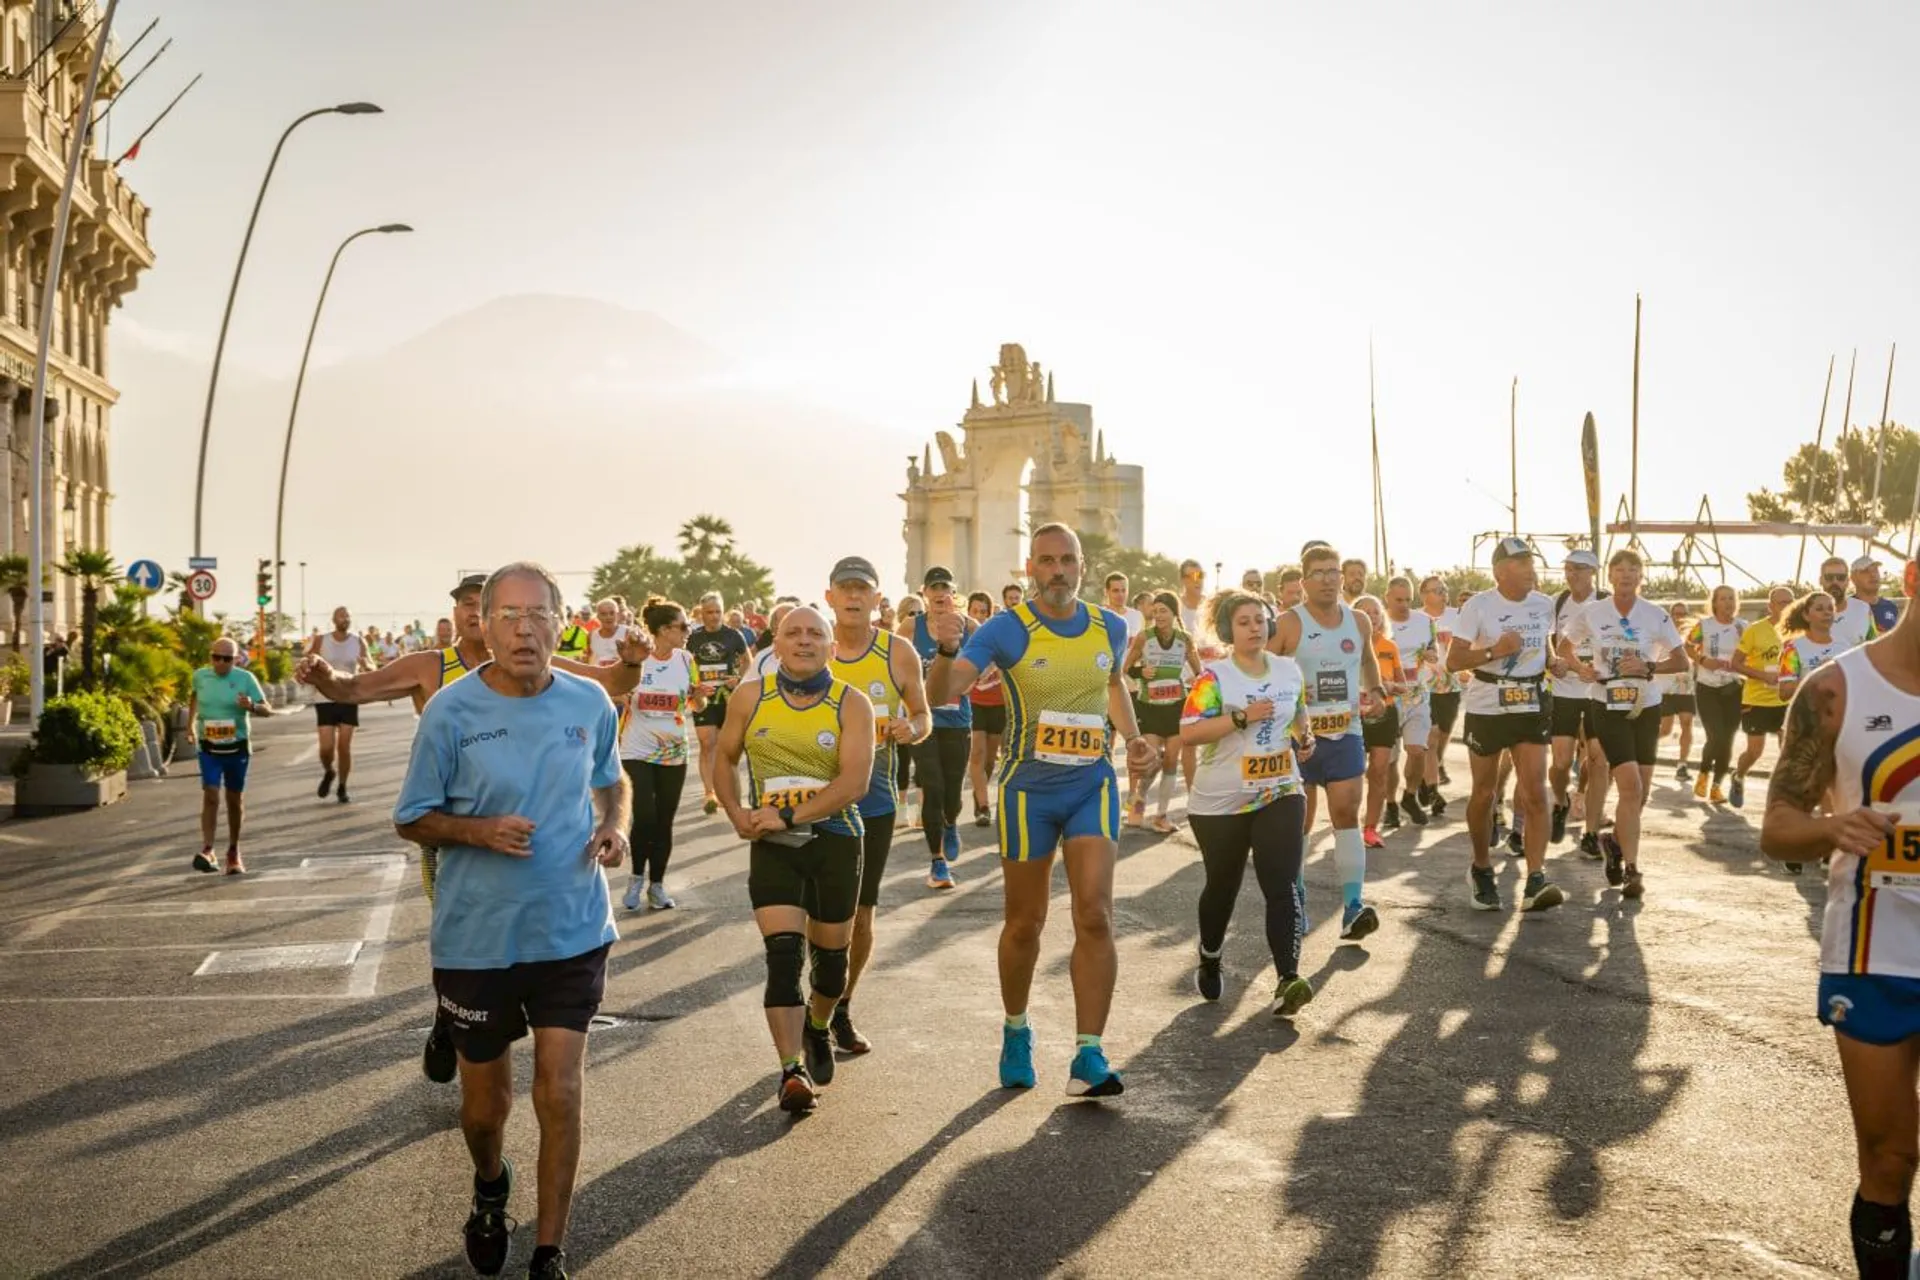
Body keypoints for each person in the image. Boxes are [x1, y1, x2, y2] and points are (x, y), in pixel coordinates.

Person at [298, 572, 644, 1089]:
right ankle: (455, 1014)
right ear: (473, 616)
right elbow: (355, 689)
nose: (519, 625)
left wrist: (635, 659)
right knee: (468, 931)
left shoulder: (540, 657)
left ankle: (472, 1012)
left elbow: (609, 684)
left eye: (529, 613)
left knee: (557, 1069)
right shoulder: (430, 668)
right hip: (451, 827)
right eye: (477, 608)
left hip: (552, 868)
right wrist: (323, 674)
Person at [392, 562, 631, 1280]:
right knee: (484, 1110)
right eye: (509, 616)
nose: (525, 630)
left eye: (539, 615)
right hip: (478, 938)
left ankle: (550, 1250)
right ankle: (491, 1185)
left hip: (572, 928)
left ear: (564, 623)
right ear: (484, 625)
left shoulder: (589, 701)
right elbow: (410, 819)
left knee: (558, 1090)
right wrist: (478, 831)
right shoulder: (451, 712)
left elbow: (612, 779)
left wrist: (614, 825)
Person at [926, 524, 1153, 1097]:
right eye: (1047, 561)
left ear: (1082, 565)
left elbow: (1113, 684)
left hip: (1091, 786)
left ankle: (1089, 1054)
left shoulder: (1112, 625)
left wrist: (1132, 737)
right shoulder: (1007, 629)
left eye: (1067, 560)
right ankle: (1016, 1029)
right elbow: (943, 693)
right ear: (1031, 567)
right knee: (1025, 923)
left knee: (1095, 914)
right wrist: (947, 648)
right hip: (1028, 791)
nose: (1058, 571)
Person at [1758, 554, 1920, 1280]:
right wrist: (1834, 828)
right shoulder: (1834, 690)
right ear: (1913, 579)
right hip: (1873, 952)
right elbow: (1776, 827)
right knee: (1889, 1159)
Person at [713, 605, 876, 1114]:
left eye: (815, 634)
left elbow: (854, 783)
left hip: (836, 841)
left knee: (830, 969)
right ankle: (791, 1071)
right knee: (783, 960)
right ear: (774, 645)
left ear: (830, 646)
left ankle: (820, 1023)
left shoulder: (851, 703)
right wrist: (736, 810)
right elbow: (723, 757)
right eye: (793, 633)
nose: (804, 641)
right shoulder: (749, 697)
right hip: (774, 848)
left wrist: (789, 815)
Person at [1181, 590, 1317, 1016]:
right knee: (1223, 886)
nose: (1254, 628)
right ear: (1228, 630)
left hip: (1279, 789)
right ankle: (1210, 952)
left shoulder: (1288, 670)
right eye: (1244, 621)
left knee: (1282, 884)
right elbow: (1189, 730)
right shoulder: (1214, 679)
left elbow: (1298, 710)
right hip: (1220, 799)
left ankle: (1288, 978)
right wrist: (1240, 717)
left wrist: (1304, 736)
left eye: (1260, 619)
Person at [825, 555, 931, 1049]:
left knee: (861, 914)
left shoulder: (898, 652)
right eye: (844, 588)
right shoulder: (808, 649)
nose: (852, 596)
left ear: (875, 599)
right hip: (811, 803)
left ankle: (840, 1007)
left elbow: (923, 714)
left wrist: (913, 727)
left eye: (861, 589)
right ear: (830, 597)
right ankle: (817, 1000)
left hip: (873, 803)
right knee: (817, 914)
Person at [1267, 543, 1387, 938]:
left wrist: (1378, 692)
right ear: (1303, 582)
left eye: (1333, 571)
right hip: (1297, 736)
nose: (1328, 579)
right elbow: (1263, 669)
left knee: (1346, 812)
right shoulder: (1289, 623)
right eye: (1318, 572)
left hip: (1345, 731)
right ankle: (1296, 899)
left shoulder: (1359, 621)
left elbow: (1368, 660)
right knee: (1297, 822)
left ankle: (1353, 906)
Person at [1558, 549, 1688, 899]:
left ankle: (1614, 842)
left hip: (1646, 705)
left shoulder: (1655, 614)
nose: (1626, 575)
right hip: (1606, 704)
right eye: (1619, 570)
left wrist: (1648, 668)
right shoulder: (1593, 612)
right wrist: (1579, 668)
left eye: (1633, 569)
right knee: (1629, 785)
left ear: (1641, 576)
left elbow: (1681, 661)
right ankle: (1632, 869)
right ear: (1610, 577)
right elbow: (1563, 646)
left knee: (1640, 792)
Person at [1447, 537, 1565, 913]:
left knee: (1535, 789)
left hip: (1531, 702)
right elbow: (1453, 661)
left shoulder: (1544, 604)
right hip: (1488, 703)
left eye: (1531, 561)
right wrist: (1494, 651)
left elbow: (1545, 647)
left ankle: (1536, 877)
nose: (1531, 568)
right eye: (1521, 563)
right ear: (1499, 572)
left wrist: (1554, 661)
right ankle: (1481, 867)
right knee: (1484, 793)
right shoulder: (1478, 605)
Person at [617, 597, 705, 912]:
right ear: (665, 629)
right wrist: (624, 696)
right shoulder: (639, 659)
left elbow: (697, 706)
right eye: (683, 626)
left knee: (664, 820)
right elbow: (613, 690)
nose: (688, 631)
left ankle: (657, 886)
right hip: (636, 748)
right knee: (646, 816)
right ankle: (636, 878)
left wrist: (697, 698)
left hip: (674, 750)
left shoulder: (686, 660)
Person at [909, 568, 977, 885]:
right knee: (932, 787)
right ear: (924, 593)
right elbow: (898, 665)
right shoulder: (911, 627)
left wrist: (970, 681)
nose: (939, 594)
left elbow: (988, 660)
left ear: (953, 593)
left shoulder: (970, 626)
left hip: (956, 719)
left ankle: (951, 822)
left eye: (945, 588)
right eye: (933, 588)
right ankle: (937, 860)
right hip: (923, 720)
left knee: (952, 792)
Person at [186, 638, 274, 875]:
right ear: (210, 656)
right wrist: (190, 726)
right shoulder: (200, 676)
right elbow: (194, 698)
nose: (221, 663)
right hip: (209, 747)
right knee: (211, 794)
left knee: (234, 800)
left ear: (236, 659)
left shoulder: (245, 679)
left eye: (227, 659)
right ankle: (208, 849)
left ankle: (233, 851)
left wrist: (252, 706)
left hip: (237, 747)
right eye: (216, 657)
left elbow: (268, 708)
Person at [1549, 550, 1611, 857]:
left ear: (1592, 572)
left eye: (1578, 569)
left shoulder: (1607, 602)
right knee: (1560, 762)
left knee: (1599, 759)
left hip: (1598, 694)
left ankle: (1590, 832)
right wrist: (1556, 662)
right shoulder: (1557, 602)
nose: (1571, 574)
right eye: (1568, 569)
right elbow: (1551, 641)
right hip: (1564, 692)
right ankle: (1560, 802)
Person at [1123, 590, 1202, 833]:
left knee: (1170, 761)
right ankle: (1137, 802)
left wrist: (1197, 689)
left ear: (1173, 613)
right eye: (1155, 611)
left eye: (1163, 611)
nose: (1158, 616)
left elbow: (1200, 673)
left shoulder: (1185, 639)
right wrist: (1140, 673)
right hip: (1150, 707)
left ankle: (1161, 815)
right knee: (1152, 759)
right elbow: (1126, 669)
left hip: (1176, 706)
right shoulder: (1144, 638)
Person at [1730, 585, 1798, 810]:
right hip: (1757, 700)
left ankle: (1784, 797)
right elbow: (1735, 663)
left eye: (1791, 602)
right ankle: (1738, 776)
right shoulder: (1755, 630)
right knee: (1754, 752)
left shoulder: (1799, 631)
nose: (1787, 606)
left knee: (1787, 749)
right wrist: (1762, 675)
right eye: (1782, 603)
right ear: (1770, 606)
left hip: (1786, 700)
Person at [1354, 594, 1410, 849]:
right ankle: (1346, 826)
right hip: (1354, 716)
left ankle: (1370, 829)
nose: (1371, 617)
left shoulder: (1390, 647)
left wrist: (1389, 686)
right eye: (1364, 612)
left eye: (1375, 612)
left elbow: (1403, 686)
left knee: (1378, 772)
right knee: (1352, 773)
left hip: (1385, 714)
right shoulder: (1345, 645)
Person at [687, 592, 751, 815]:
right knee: (707, 743)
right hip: (704, 698)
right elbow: (685, 664)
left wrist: (739, 680)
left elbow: (746, 661)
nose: (714, 616)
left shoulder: (733, 635)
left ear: (722, 612)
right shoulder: (693, 638)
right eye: (709, 612)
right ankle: (709, 793)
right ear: (701, 614)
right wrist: (693, 686)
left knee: (728, 747)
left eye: (717, 612)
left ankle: (729, 792)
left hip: (727, 697)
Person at [1384, 577, 1439, 829]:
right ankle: (1391, 805)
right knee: (1390, 759)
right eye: (1398, 600)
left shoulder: (1425, 622)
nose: (1404, 605)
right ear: (1387, 598)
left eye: (1408, 599)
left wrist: (1431, 655)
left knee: (1417, 751)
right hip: (1387, 697)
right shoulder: (1379, 623)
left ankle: (1410, 795)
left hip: (1417, 695)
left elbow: (1433, 649)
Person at [1686, 585, 1748, 805]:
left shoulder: (1743, 626)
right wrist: (1703, 660)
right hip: (1707, 687)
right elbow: (1688, 645)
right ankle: (1703, 774)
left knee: (1728, 738)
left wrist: (1745, 643)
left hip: (1733, 687)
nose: (1728, 603)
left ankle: (1717, 786)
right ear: (1715, 603)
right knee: (1716, 735)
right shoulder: (1704, 626)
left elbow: (1752, 653)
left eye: (1731, 598)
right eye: (1723, 599)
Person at [306, 607, 371, 803]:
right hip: (324, 697)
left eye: (348, 616)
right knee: (326, 748)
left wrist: (367, 666)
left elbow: (371, 665)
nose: (345, 619)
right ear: (334, 619)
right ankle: (329, 771)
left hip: (348, 696)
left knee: (344, 746)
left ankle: (342, 786)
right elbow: (309, 659)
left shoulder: (358, 641)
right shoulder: (322, 640)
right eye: (341, 616)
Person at [1416, 573, 1461, 807]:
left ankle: (1431, 770)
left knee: (1443, 734)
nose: (1443, 593)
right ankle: (1431, 789)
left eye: (1444, 588)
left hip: (1451, 684)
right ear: (1424, 595)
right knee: (1431, 736)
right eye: (1436, 590)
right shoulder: (1417, 620)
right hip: (1424, 685)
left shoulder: (1457, 616)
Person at [965, 590, 1004, 827]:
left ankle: (979, 792)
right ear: (968, 612)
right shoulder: (963, 636)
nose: (979, 616)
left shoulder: (996, 636)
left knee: (990, 759)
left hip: (997, 702)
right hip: (973, 702)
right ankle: (983, 805)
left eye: (983, 612)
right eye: (975, 611)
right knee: (977, 753)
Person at [1778, 591, 1847, 704]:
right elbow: (1784, 693)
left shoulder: (1845, 646)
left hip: (1839, 714)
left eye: (1830, 609)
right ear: (1806, 615)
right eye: (1819, 609)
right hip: (1809, 715)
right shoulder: (1793, 648)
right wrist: (1816, 674)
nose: (1827, 613)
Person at [1658, 601, 1698, 784]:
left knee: (1686, 722)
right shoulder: (1662, 634)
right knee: (1665, 730)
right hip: (1665, 687)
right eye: (1676, 614)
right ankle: (1644, 744)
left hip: (1684, 685)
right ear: (1670, 615)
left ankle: (1682, 764)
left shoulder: (1692, 636)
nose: (1680, 617)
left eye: (1683, 614)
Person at [1823, 555, 1882, 652]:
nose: (1835, 582)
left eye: (1841, 577)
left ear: (1847, 581)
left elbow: (1874, 648)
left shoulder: (1863, 609)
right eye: (1829, 577)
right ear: (1821, 580)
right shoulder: (1805, 612)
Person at [1852, 555, 1902, 636]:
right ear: (1853, 578)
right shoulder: (1845, 608)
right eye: (1865, 571)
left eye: (1875, 570)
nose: (1873, 575)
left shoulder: (1891, 607)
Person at [585, 597, 635, 666]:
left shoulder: (627, 632)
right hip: (596, 675)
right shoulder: (591, 635)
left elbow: (635, 660)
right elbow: (588, 658)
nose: (608, 617)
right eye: (603, 614)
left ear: (617, 614)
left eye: (612, 613)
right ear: (598, 616)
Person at [1106, 572, 1144, 643]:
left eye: (1124, 590)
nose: (1120, 594)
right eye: (1115, 591)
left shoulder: (1137, 615)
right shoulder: (1099, 615)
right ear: (1107, 592)